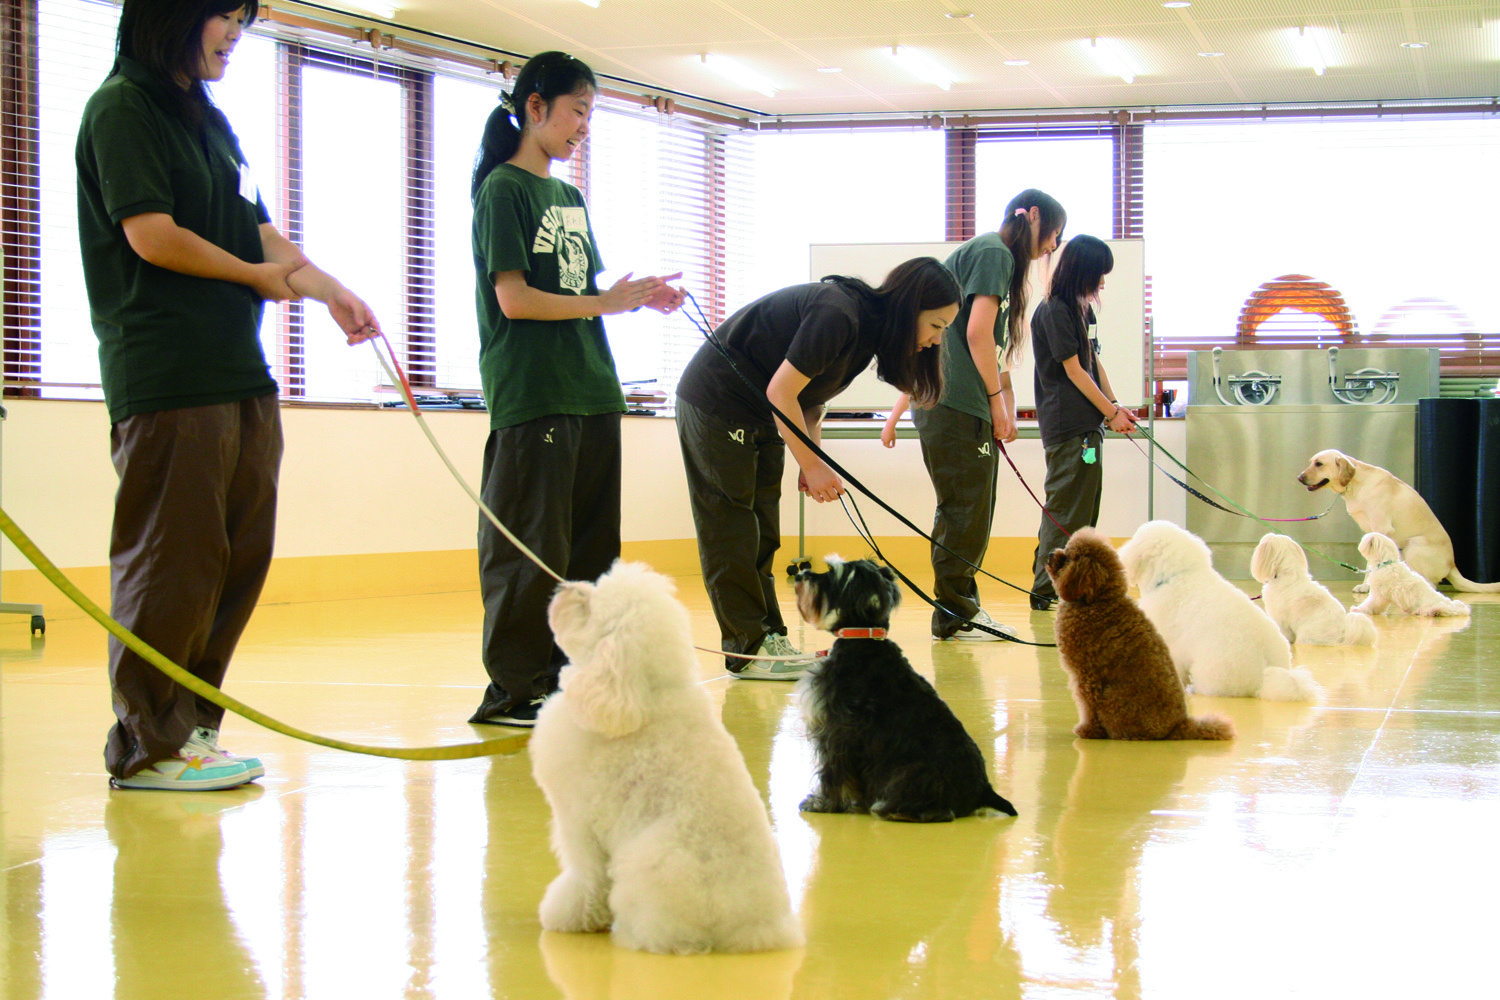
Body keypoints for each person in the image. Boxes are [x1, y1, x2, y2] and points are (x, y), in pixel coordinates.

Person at [76, 0, 384, 789]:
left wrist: (327, 289)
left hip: (238, 371)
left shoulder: (210, 122)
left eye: (243, 26)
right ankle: (147, 744)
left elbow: (258, 232)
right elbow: (153, 235)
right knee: (173, 561)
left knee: (235, 557)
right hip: (167, 371)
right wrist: (255, 279)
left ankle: (194, 730)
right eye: (225, 20)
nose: (234, 40)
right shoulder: (122, 109)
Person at [468, 51, 683, 727]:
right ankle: (515, 689)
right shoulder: (503, 190)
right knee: (532, 550)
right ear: (536, 107)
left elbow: (578, 293)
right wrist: (609, 304)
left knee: (591, 554)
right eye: (577, 110)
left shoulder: (569, 197)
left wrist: (634, 298)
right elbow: (516, 300)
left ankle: (576, 680)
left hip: (592, 389)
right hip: (536, 392)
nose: (584, 126)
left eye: (590, 112)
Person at [676, 258, 960, 679]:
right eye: (936, 325)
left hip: (761, 414)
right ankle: (748, 648)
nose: (936, 341)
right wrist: (810, 462)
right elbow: (781, 390)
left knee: (762, 530)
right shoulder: (838, 313)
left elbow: (810, 399)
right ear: (910, 307)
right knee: (731, 529)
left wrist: (813, 461)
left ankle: (768, 636)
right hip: (718, 402)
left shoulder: (866, 332)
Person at [881, 190, 1066, 640]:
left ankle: (958, 609)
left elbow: (977, 344)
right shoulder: (994, 252)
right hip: (957, 404)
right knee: (966, 511)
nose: (1051, 248)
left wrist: (1003, 403)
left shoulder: (989, 255)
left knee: (968, 509)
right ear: (1034, 216)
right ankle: (955, 613)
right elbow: (978, 334)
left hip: (952, 402)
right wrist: (997, 402)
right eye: (1054, 236)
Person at [1028, 235, 1137, 608]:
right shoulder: (1054, 310)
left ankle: (1065, 585)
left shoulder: (1079, 309)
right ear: (1082, 272)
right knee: (1066, 511)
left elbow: (1093, 361)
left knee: (1083, 511)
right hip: (1069, 428)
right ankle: (1045, 590)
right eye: (1098, 275)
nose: (1102, 283)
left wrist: (1116, 405)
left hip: (1088, 429)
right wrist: (1110, 413)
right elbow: (1074, 372)